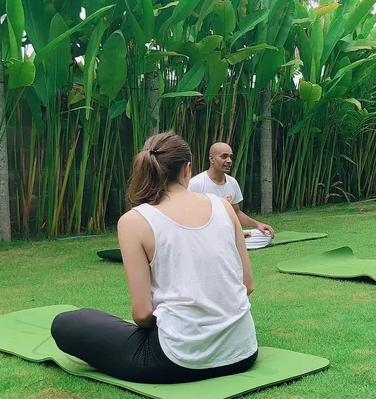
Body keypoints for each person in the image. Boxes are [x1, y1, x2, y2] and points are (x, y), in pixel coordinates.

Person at [51, 131, 258, 384]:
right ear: (187, 168)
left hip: (177, 361)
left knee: (65, 323)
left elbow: (142, 314)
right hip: (243, 352)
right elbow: (247, 286)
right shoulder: (224, 207)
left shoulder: (134, 221)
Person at [188, 142, 275, 249]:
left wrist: (257, 224)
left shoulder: (232, 182)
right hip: (205, 233)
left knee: (266, 235)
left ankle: (231, 241)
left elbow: (236, 212)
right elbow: (189, 217)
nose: (229, 161)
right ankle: (232, 240)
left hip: (227, 232)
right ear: (212, 159)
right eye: (224, 156)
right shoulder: (196, 183)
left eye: (230, 157)